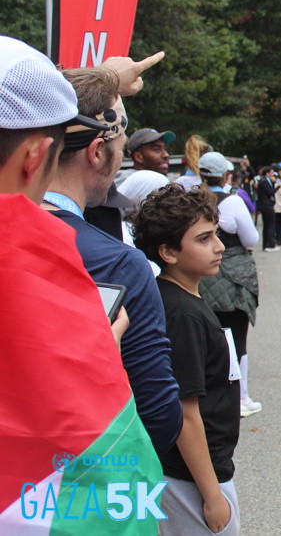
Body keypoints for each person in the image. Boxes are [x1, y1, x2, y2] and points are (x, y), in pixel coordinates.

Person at [0, 36, 163, 533]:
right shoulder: (47, 257)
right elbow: (121, 489)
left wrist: (106, 79)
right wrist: (96, 367)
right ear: (35, 157)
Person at [42, 64, 182, 456]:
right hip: (73, 478)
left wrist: (104, 80)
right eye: (120, 149)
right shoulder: (119, 265)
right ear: (98, 152)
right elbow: (158, 420)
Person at [132, 185, 240, 535]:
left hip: (200, 468)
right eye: (204, 239)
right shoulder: (181, 314)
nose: (219, 246)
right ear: (168, 252)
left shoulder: (182, 299)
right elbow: (185, 412)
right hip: (190, 477)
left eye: (216, 234)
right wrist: (211, 495)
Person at [196, 153, 263, 418]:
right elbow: (251, 239)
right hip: (232, 274)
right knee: (236, 338)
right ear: (225, 175)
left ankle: (209, 395)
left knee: (206, 337)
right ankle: (241, 397)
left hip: (200, 275)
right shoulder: (232, 202)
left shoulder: (192, 200)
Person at [257, 164, 279, 251]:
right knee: (270, 224)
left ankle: (266, 245)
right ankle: (270, 245)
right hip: (266, 204)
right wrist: (278, 187)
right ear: (267, 173)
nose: (273, 174)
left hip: (265, 204)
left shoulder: (265, 181)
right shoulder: (264, 182)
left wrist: (273, 183)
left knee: (267, 225)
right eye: (271, 172)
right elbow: (270, 192)